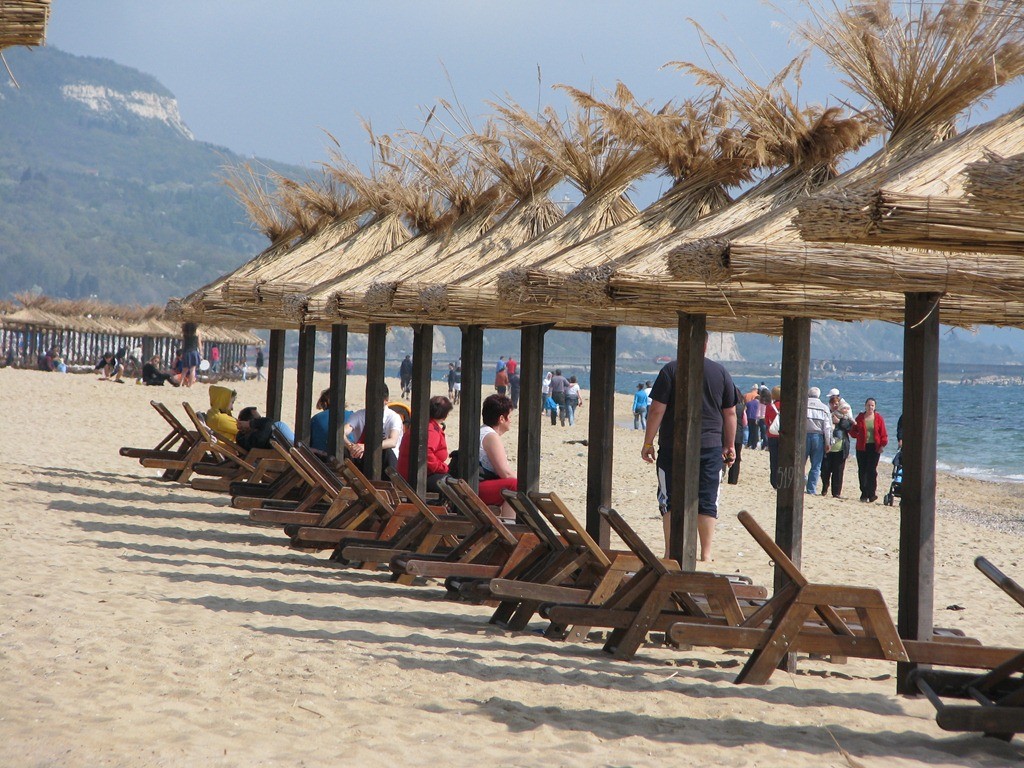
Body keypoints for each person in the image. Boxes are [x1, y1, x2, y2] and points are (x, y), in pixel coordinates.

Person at [641, 335, 737, 561]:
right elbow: (730, 413)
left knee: (670, 498)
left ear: (682, 345)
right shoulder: (720, 372)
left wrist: (648, 442)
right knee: (707, 499)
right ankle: (705, 554)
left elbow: (657, 409)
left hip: (673, 445)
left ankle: (670, 551)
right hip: (710, 445)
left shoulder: (670, 370)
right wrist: (730, 445)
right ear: (705, 345)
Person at [396, 395, 453, 494]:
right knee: (455, 487)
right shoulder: (430, 429)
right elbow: (426, 453)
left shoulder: (422, 424)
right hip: (416, 477)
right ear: (445, 415)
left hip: (407, 473)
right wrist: (442, 467)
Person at [343, 385, 404, 473]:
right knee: (344, 450)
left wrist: (366, 446)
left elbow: (392, 441)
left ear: (386, 401)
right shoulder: (359, 415)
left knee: (387, 452)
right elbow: (342, 433)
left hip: (387, 461)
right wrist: (350, 446)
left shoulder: (393, 417)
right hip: (362, 457)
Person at [478, 393, 518, 521]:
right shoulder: (491, 436)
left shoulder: (481, 431)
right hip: (477, 487)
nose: (511, 421)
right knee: (515, 485)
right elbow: (505, 473)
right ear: (501, 419)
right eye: (509, 417)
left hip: (470, 484)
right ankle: (509, 527)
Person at [849, 397, 889, 502]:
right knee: (862, 470)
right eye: (868, 405)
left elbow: (883, 434)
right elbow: (853, 431)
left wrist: (882, 445)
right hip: (862, 447)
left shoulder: (878, 418)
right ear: (865, 406)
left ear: (875, 407)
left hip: (874, 447)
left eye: (872, 405)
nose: (870, 407)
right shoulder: (860, 417)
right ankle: (864, 493)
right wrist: (857, 434)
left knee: (872, 470)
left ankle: (872, 494)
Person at [820, 388, 854, 498]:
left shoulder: (845, 411)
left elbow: (849, 427)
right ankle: (825, 487)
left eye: (836, 403)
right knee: (825, 470)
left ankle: (836, 493)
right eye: (832, 403)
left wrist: (839, 422)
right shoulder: (826, 411)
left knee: (838, 472)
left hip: (841, 447)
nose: (834, 405)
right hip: (827, 446)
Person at [804, 387, 832, 495]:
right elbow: (827, 427)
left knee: (800, 463)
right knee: (816, 465)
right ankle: (811, 489)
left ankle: (801, 481)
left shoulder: (803, 405)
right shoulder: (824, 408)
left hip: (804, 435)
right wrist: (828, 442)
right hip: (818, 437)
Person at [309, 389, 351, 453]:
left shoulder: (315, 419)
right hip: (351, 457)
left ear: (324, 403)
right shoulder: (353, 416)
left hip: (321, 459)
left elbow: (307, 443)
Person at [764, 385, 782, 489]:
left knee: (773, 459)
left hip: (772, 435)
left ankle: (774, 481)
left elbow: (767, 421)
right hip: (783, 435)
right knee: (783, 458)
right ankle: (782, 479)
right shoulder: (787, 405)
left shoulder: (770, 407)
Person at [728, 385, 745, 485]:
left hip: (726, 432)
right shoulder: (741, 407)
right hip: (738, 434)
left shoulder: (727, 406)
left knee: (722, 454)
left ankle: (721, 474)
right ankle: (733, 479)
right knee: (737, 457)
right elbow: (745, 422)